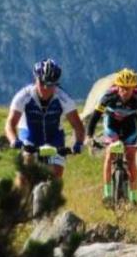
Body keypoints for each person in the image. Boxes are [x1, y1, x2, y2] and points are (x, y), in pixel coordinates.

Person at [5, 58, 85, 188]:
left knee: (56, 176)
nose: (45, 88)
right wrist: (14, 140)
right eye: (42, 83)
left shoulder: (64, 98)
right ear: (35, 79)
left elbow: (77, 125)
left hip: (54, 137)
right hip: (29, 135)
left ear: (56, 84)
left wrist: (79, 143)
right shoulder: (23, 96)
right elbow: (10, 123)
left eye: (50, 84)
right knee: (24, 171)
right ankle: (18, 203)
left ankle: (49, 204)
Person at [85, 68, 137, 205]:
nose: (124, 91)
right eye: (121, 88)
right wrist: (89, 136)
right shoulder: (109, 96)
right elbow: (95, 117)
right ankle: (107, 193)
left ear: (133, 88)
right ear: (117, 86)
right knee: (110, 154)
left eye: (127, 89)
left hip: (130, 124)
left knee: (131, 159)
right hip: (112, 123)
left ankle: (134, 197)